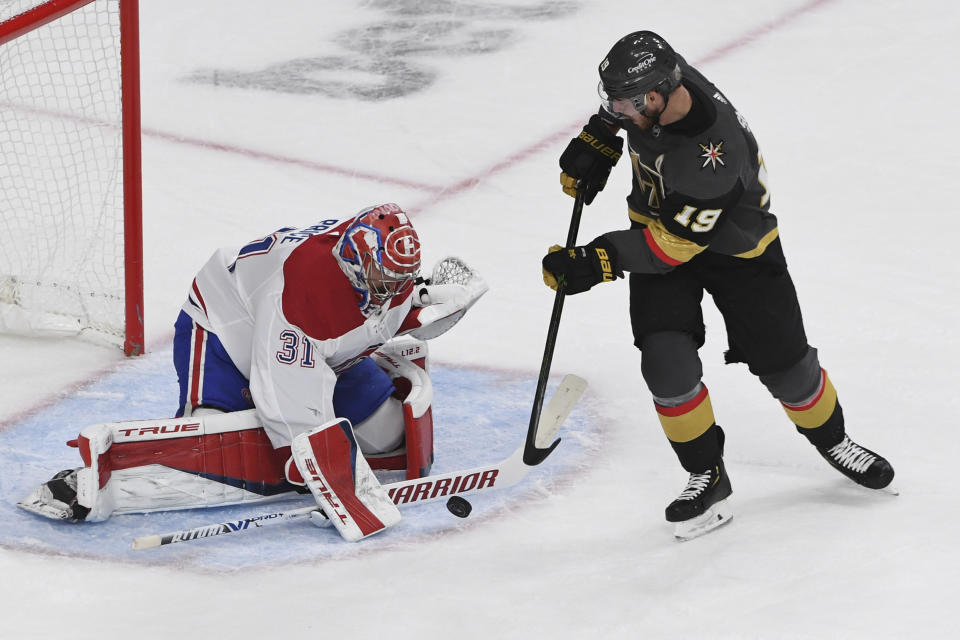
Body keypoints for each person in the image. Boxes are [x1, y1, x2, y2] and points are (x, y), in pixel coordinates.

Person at [541, 31, 894, 539]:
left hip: (736, 252)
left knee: (788, 370)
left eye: (623, 105)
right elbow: (657, 215)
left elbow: (668, 250)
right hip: (663, 228)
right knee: (665, 363)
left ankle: (833, 439)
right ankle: (706, 474)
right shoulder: (663, 80)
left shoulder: (715, 155)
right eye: (611, 101)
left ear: (658, 96)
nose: (617, 110)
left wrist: (598, 259)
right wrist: (600, 134)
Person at [19, 203, 487, 541]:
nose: (393, 290)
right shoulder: (307, 297)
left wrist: (432, 301)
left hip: (314, 349)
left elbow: (391, 310)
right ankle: (80, 482)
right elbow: (292, 408)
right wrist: (335, 488)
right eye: (386, 281)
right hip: (225, 329)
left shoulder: (370, 267)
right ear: (357, 264)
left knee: (386, 439)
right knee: (210, 447)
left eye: (401, 280)